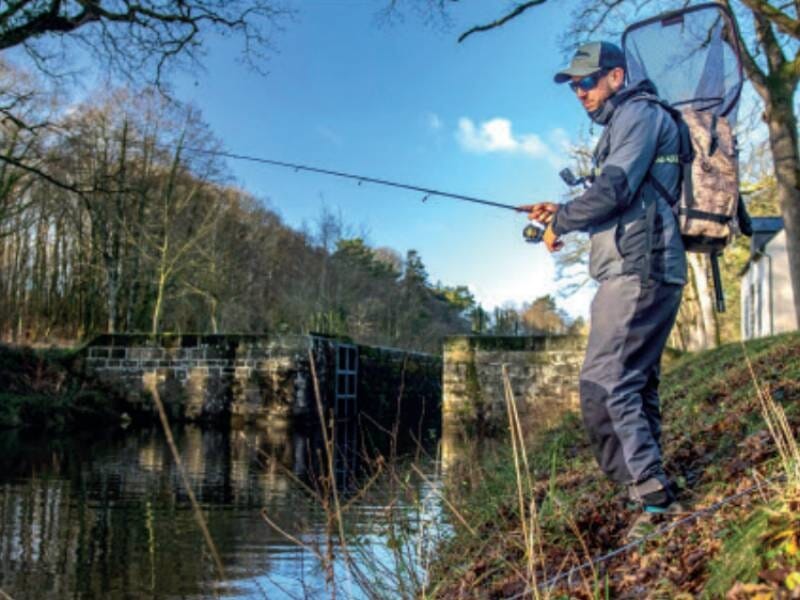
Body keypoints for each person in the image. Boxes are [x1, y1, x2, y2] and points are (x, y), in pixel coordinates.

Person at [521, 41, 687, 539]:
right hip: (643, 267)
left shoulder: (637, 114)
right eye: (575, 85)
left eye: (587, 82)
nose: (580, 92)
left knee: (604, 383)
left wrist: (562, 223)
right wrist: (562, 211)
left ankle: (652, 498)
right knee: (636, 383)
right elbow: (615, 194)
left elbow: (614, 189)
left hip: (639, 269)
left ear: (617, 76)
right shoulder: (625, 123)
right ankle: (653, 488)